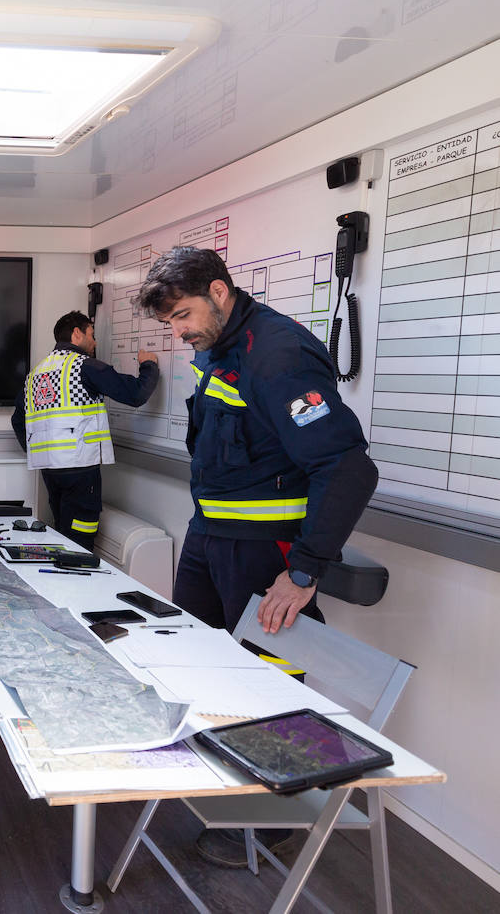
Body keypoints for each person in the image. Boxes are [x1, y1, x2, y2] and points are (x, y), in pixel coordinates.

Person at [136, 247, 378, 866]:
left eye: (184, 315)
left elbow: (346, 467)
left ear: (220, 292)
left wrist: (303, 571)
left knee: (267, 679)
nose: (179, 331)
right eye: (170, 323)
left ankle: (272, 815)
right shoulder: (217, 348)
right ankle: (222, 781)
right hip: (210, 536)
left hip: (263, 553)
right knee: (200, 665)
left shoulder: (278, 355)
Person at [12, 311, 159, 550]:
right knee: (80, 540)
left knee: (63, 532)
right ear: (77, 334)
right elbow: (135, 394)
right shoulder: (85, 366)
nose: (95, 342)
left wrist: (36, 451)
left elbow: (18, 420)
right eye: (92, 334)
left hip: (50, 470)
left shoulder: (35, 374)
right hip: (80, 469)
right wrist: (149, 366)